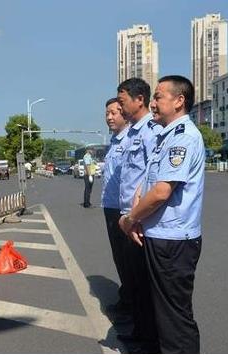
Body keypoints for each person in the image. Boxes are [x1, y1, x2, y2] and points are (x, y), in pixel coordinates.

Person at [119, 75, 204, 353]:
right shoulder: (165, 135)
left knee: (174, 318)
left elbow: (161, 192)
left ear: (179, 101)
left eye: (158, 97)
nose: (153, 103)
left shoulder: (183, 138)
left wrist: (131, 219)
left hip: (174, 241)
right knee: (160, 312)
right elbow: (147, 184)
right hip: (159, 235)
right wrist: (137, 211)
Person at [116, 77, 162, 352]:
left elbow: (150, 180)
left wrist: (136, 217)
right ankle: (140, 331)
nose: (120, 108)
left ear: (139, 99)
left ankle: (148, 339)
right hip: (128, 217)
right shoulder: (134, 132)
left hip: (140, 219)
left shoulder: (150, 132)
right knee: (134, 280)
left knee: (144, 283)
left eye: (122, 102)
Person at [100, 98, 132, 318]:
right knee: (119, 258)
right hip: (111, 207)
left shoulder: (131, 141)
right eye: (107, 114)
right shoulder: (114, 142)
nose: (109, 117)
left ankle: (132, 306)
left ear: (125, 113)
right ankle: (127, 299)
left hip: (124, 211)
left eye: (114, 113)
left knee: (128, 261)